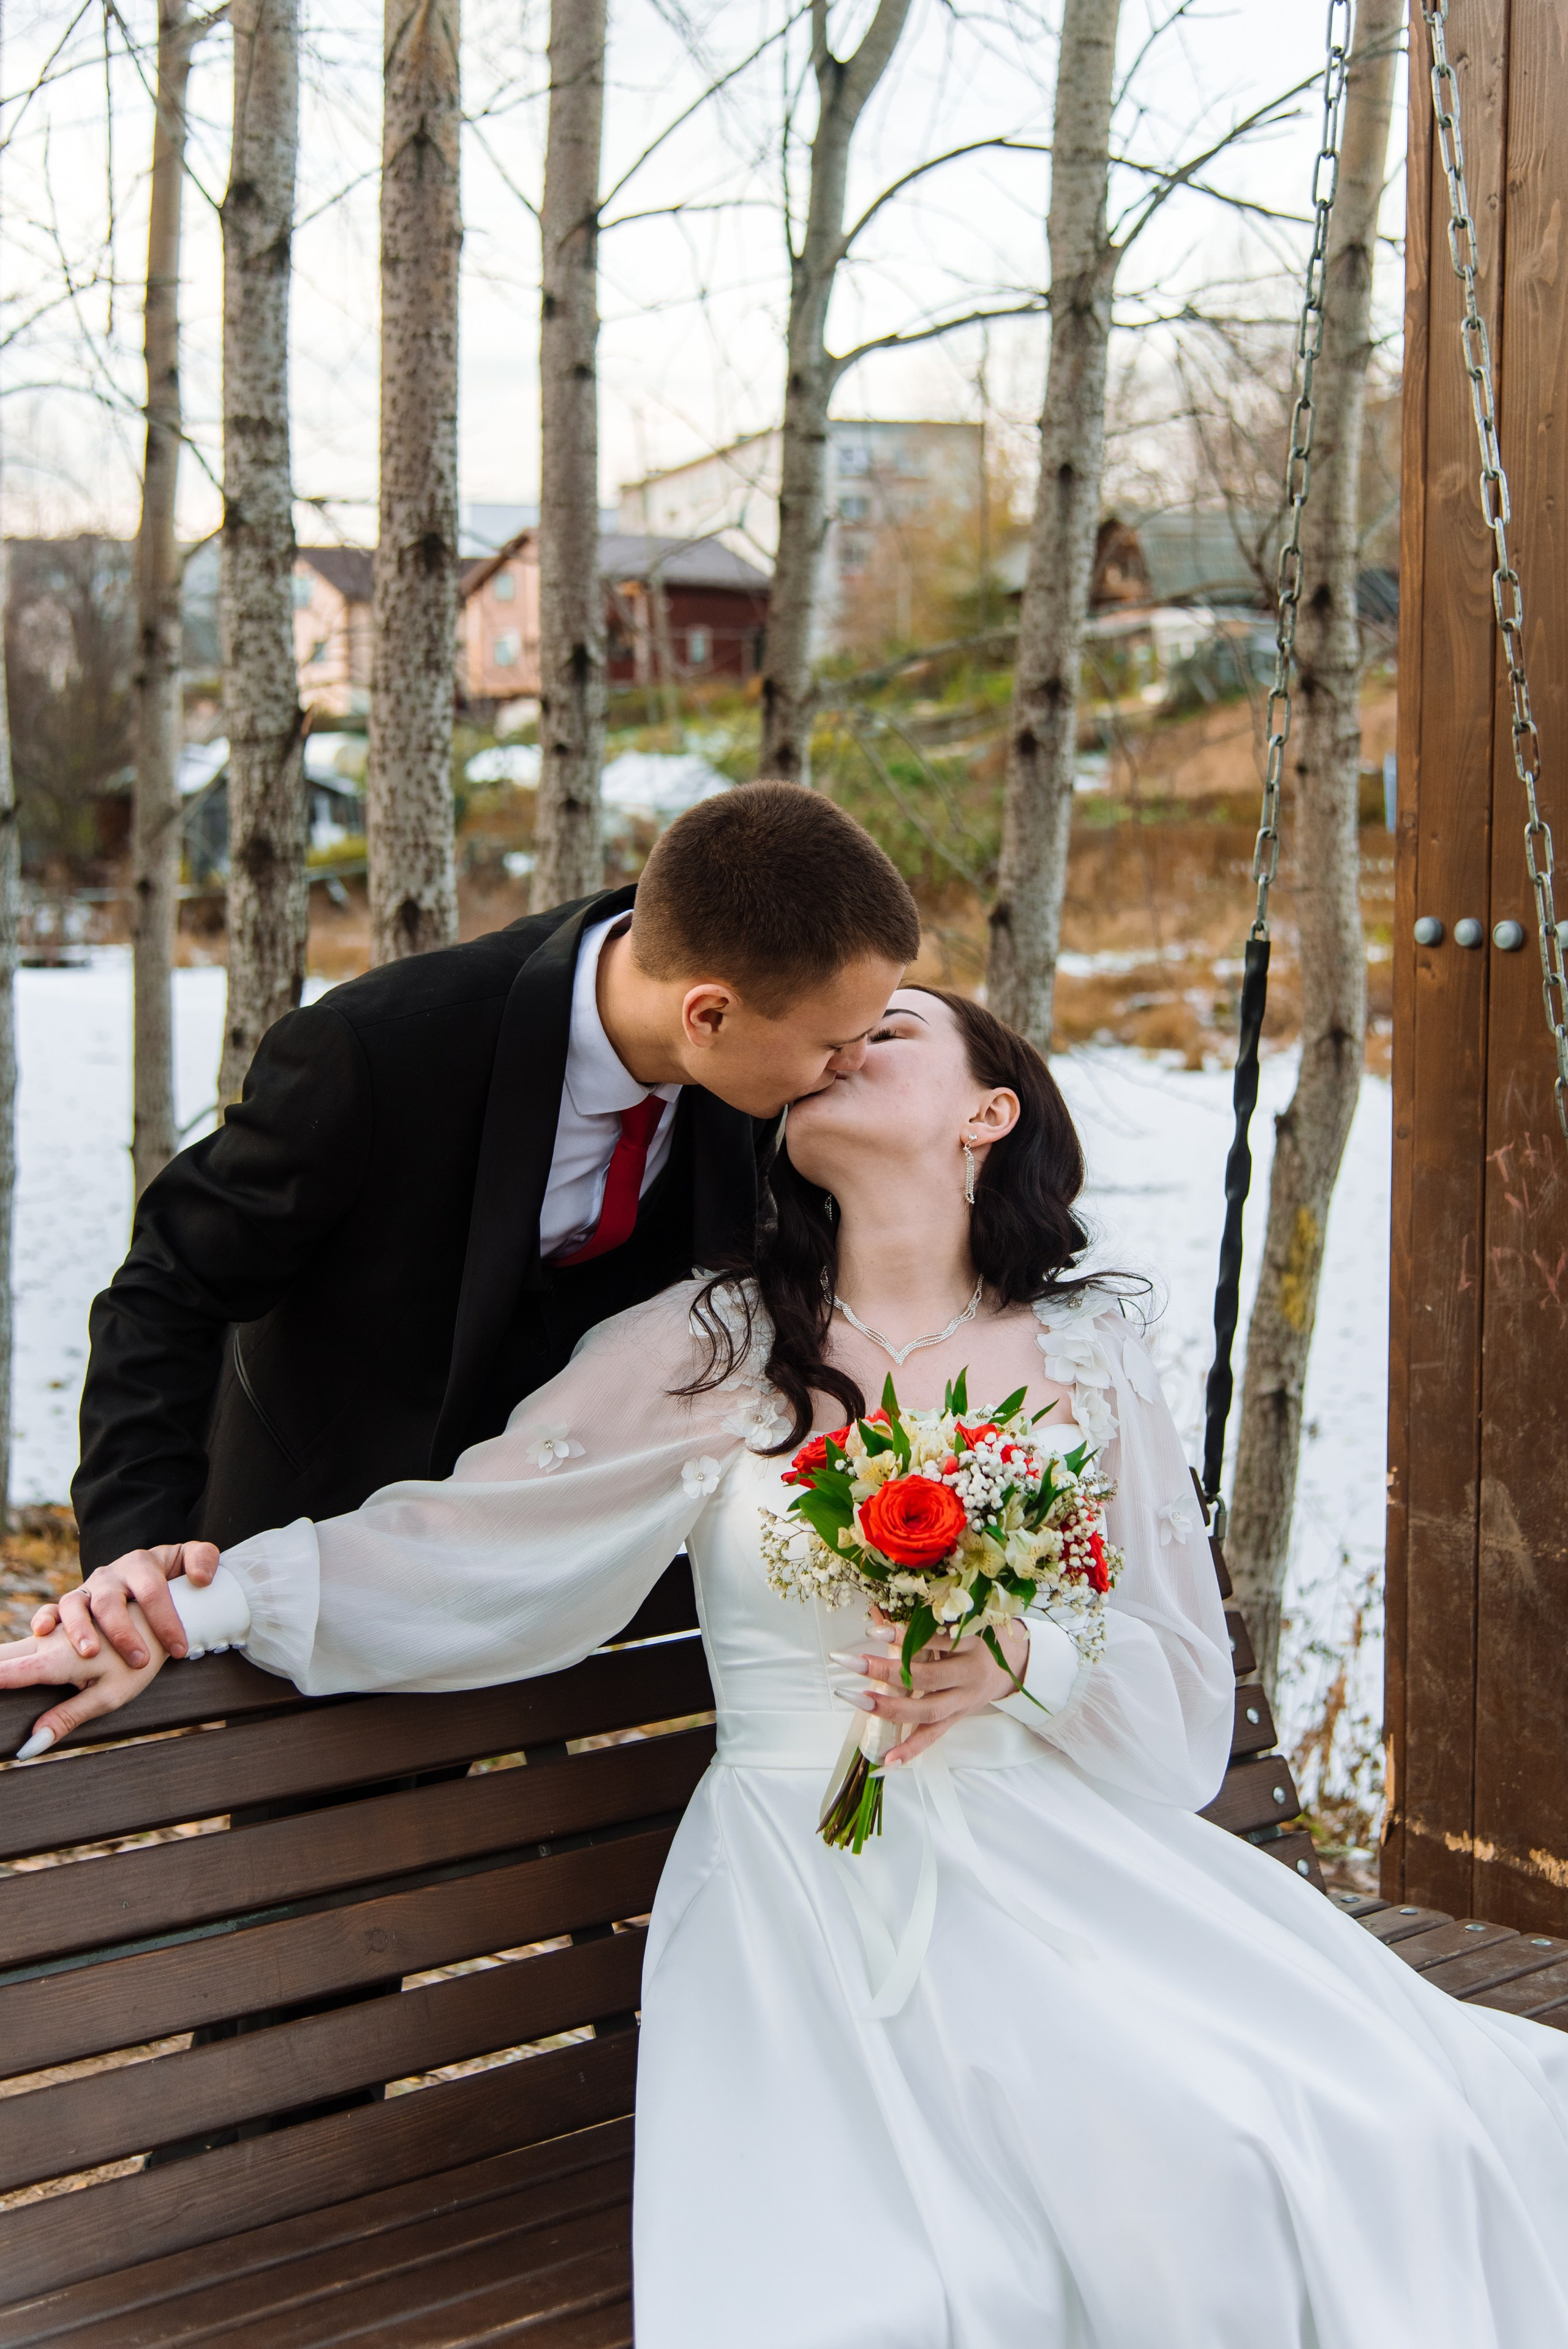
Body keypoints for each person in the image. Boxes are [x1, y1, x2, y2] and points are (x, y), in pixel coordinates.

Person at [7, 989, 1567, 2347]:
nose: (835, 1052)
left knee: (1364, 2135)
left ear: (986, 1112)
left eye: (885, 1034)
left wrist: (1020, 1648)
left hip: (1071, 1869)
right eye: (822, 1039)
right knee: (946, 2273)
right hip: (804, 1881)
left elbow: (1165, 1696)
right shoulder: (711, 1340)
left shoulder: (1084, 1352)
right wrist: (195, 1605)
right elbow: (465, 1538)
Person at [56, 780, 919, 1680]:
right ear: (706, 1014)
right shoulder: (381, 1053)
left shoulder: (759, 1053)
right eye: (836, 1045)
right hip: (314, 1539)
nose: (853, 1067)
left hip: (570, 1560)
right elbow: (167, 1287)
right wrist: (136, 1542)